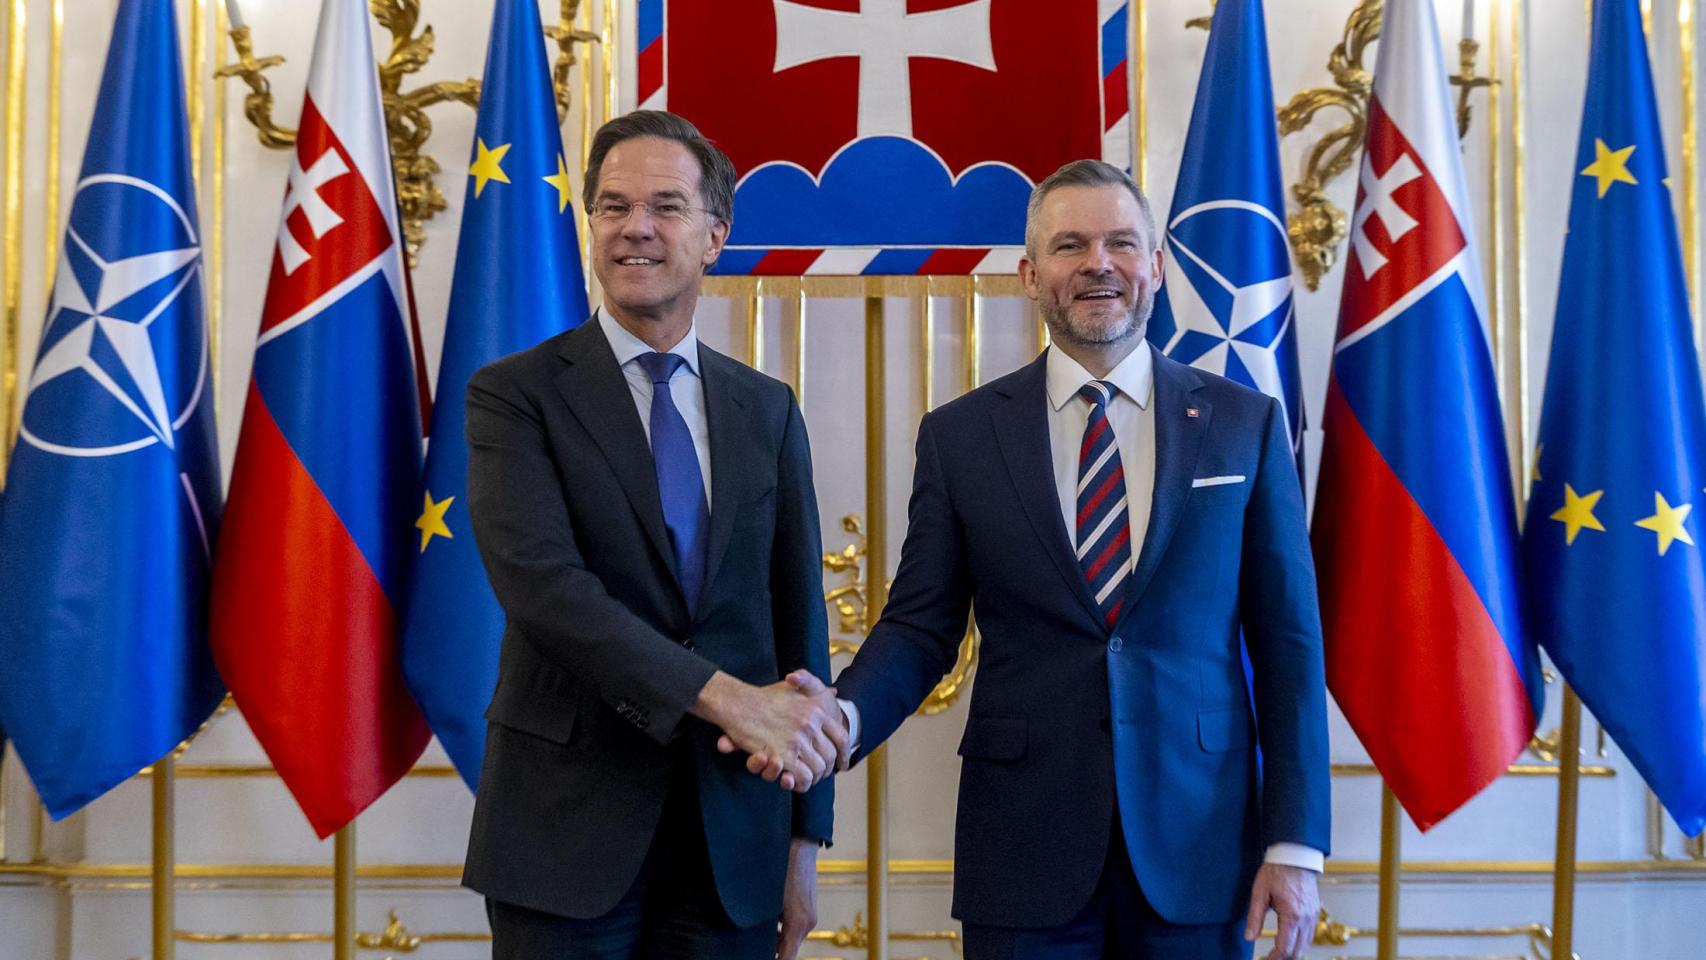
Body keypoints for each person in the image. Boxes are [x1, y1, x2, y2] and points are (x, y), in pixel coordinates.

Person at [745, 159, 1330, 960]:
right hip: (1024, 851)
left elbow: (1289, 645)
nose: (1099, 263)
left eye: (1123, 243)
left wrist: (1294, 846)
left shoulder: (1243, 424)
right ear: (1029, 274)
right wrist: (840, 720)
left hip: (1201, 848)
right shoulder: (961, 436)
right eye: (1070, 245)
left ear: (1155, 266)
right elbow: (921, 628)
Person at [462, 110, 846, 960]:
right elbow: (544, 590)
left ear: (715, 235)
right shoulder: (515, 395)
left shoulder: (767, 409)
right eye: (612, 206)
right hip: (564, 837)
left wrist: (803, 841)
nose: (635, 227)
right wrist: (728, 699)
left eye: (666, 206)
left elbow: (799, 630)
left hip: (734, 846)